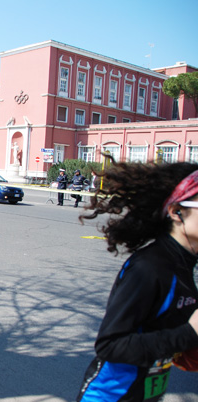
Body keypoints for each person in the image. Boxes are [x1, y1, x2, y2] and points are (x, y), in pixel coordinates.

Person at [76, 160, 198, 402]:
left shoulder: (185, 264)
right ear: (176, 212)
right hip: (110, 397)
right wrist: (189, 333)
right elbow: (110, 346)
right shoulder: (149, 268)